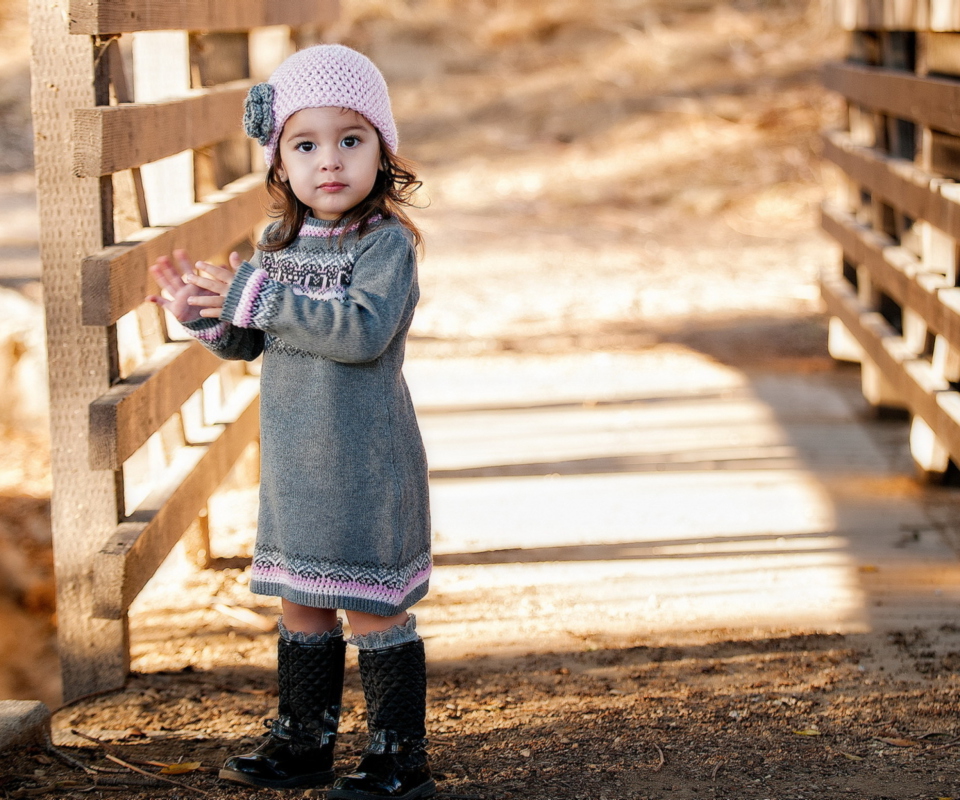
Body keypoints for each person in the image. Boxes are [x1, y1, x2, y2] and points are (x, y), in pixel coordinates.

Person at [147, 44, 435, 800]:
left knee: (372, 606)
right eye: (305, 145)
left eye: (351, 140)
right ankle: (305, 739)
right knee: (302, 601)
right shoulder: (276, 246)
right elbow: (251, 340)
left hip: (368, 464)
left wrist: (258, 295)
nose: (329, 161)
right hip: (300, 467)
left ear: (383, 150)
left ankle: (396, 753)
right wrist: (203, 316)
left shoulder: (386, 248)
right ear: (280, 164)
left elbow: (360, 332)